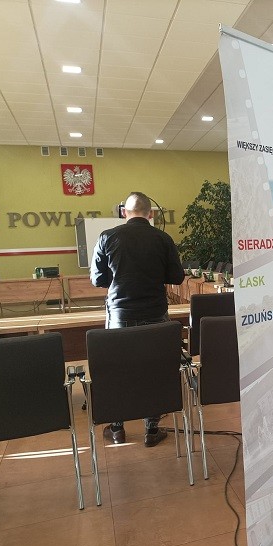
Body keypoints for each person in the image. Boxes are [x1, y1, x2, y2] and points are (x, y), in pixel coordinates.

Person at [90, 192, 185, 447]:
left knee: (118, 370)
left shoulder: (107, 237)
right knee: (153, 370)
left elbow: (97, 280)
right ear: (150, 214)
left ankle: (117, 429)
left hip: (119, 316)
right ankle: (151, 430)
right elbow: (177, 277)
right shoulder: (163, 239)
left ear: (124, 212)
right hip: (156, 315)